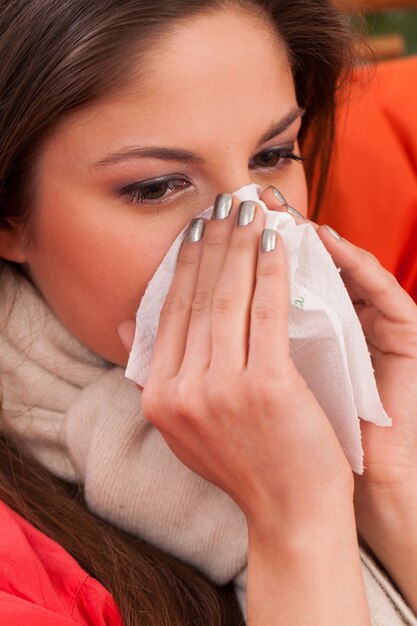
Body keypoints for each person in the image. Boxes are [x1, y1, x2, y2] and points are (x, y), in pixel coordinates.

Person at [0, 0, 416, 625]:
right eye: (156, 186)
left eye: (273, 155)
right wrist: (292, 522)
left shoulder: (359, 372)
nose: (255, 229)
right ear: (11, 220)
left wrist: (387, 486)